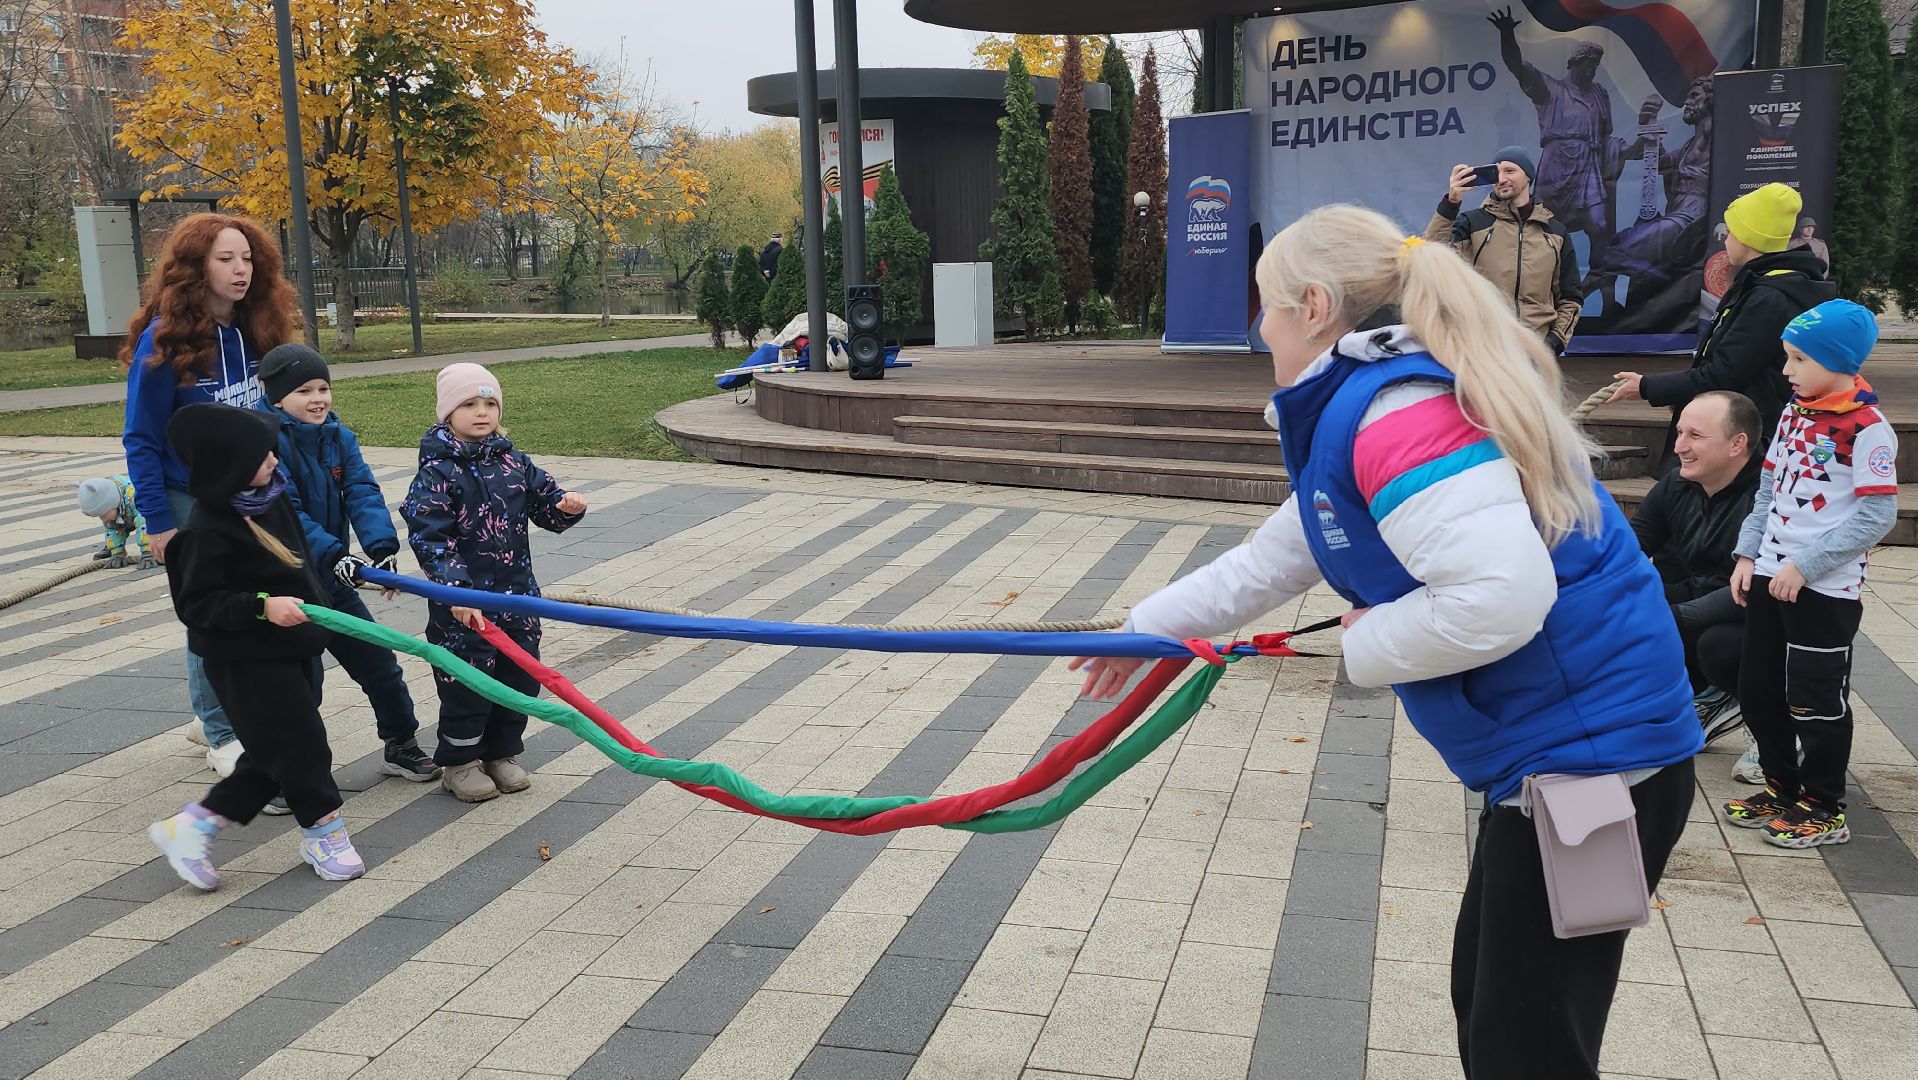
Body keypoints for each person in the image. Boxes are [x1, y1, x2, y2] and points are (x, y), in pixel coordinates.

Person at [1072, 206, 1700, 1080]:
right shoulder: (1374, 402)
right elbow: (1272, 560)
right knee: (1501, 1016)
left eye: (1266, 307)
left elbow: (1500, 598)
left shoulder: (1400, 414)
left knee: (1525, 1044)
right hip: (1575, 760)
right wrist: (1146, 630)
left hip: (1597, 766)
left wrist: (1368, 644)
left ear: (1314, 306)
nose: (1261, 329)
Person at [146, 403, 364, 889]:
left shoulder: (270, 497)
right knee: (303, 745)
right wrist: (262, 607)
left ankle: (193, 827)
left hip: (292, 645)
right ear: (229, 466)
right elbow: (197, 605)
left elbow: (299, 562)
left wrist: (326, 597)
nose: (273, 460)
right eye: (261, 455)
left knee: (274, 750)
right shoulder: (203, 532)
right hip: (244, 660)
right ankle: (324, 832)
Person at [121, 212, 299, 778]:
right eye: (225, 259)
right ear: (196, 268)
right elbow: (141, 438)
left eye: (246, 258)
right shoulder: (165, 341)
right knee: (211, 613)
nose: (240, 270)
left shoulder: (258, 330)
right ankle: (221, 732)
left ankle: (219, 710)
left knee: (250, 604)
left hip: (252, 496)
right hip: (186, 498)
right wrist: (157, 521)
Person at [1724, 299, 1898, 848]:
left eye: (1799, 359)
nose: (1787, 370)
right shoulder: (1794, 413)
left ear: (1838, 360)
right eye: (1787, 357)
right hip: (1769, 575)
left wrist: (1804, 566)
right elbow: (1769, 490)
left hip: (1823, 589)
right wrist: (1747, 555)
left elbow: (1877, 514)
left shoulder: (1868, 428)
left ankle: (1824, 805)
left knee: (1815, 700)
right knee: (1759, 691)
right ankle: (1782, 787)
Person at [402, 363, 588, 802]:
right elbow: (431, 538)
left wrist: (567, 507)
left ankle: (501, 753)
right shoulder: (436, 473)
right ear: (448, 412)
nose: (482, 412)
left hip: (519, 600)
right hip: (464, 608)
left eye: (489, 403)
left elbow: (545, 506)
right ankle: (460, 763)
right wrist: (456, 592)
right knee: (467, 685)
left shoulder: (514, 462)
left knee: (519, 678)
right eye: (469, 404)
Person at [256, 344, 439, 782]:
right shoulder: (263, 444)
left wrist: (381, 548)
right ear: (277, 398)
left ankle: (401, 744)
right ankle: (287, 775)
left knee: (378, 662)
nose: (318, 399)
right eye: (304, 391)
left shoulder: (339, 437)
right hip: (285, 586)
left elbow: (361, 490)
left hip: (330, 580)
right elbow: (286, 513)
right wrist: (337, 555)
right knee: (302, 686)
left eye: (323, 388)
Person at [1609, 183, 1835, 464]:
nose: (1725, 239)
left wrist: (1647, 386)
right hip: (1735, 433)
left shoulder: (1770, 298)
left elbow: (1724, 374)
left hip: (1738, 444)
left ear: (1749, 239)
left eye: (1731, 232)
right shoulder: (1763, 286)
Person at [1630, 391, 1764, 755]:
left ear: (1737, 444)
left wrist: (1669, 619)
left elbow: (1755, 590)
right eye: (1679, 433)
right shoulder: (1675, 484)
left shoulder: (1771, 497)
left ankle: (1781, 726)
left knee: (1717, 644)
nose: (1679, 447)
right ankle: (1712, 697)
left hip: (1755, 618)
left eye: (1695, 435)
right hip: (1692, 604)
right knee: (1620, 607)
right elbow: (1628, 550)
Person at [1489, 7, 1618, 274]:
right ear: (1574, 63)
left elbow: (1606, 134)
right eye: (1588, 63)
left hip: (1589, 166)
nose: (1592, 70)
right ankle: (1541, 279)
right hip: (1557, 165)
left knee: (1600, 225)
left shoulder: (1599, 94)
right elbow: (1517, 66)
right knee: (1543, 226)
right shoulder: (1550, 89)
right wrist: (1506, 34)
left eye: (1596, 65)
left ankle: (1598, 281)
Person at [1583, 77, 1715, 319]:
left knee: (1623, 247)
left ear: (1710, 101)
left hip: (1691, 219)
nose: (1687, 101)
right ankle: (1608, 303)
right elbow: (1661, 163)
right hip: (1678, 217)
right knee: (1618, 245)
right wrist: (1649, 125)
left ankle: (1585, 300)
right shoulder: (1689, 146)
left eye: (1694, 96)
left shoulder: (1712, 131)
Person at [1427, 147, 1582, 352]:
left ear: (1528, 176)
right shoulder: (1472, 223)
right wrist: (1451, 204)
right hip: (1485, 348)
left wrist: (1555, 342)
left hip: (1536, 349)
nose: (1501, 178)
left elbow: (1570, 297)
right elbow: (1431, 261)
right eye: (1496, 172)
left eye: (1510, 171)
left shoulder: (1555, 231)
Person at [75, 475, 153, 568]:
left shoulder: (136, 498)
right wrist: (117, 553)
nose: (103, 519)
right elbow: (112, 529)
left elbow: (145, 525)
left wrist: (148, 552)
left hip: (153, 509)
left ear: (113, 502)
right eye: (99, 516)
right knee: (112, 523)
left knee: (144, 520)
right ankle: (112, 548)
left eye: (104, 514)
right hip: (124, 513)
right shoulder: (111, 506)